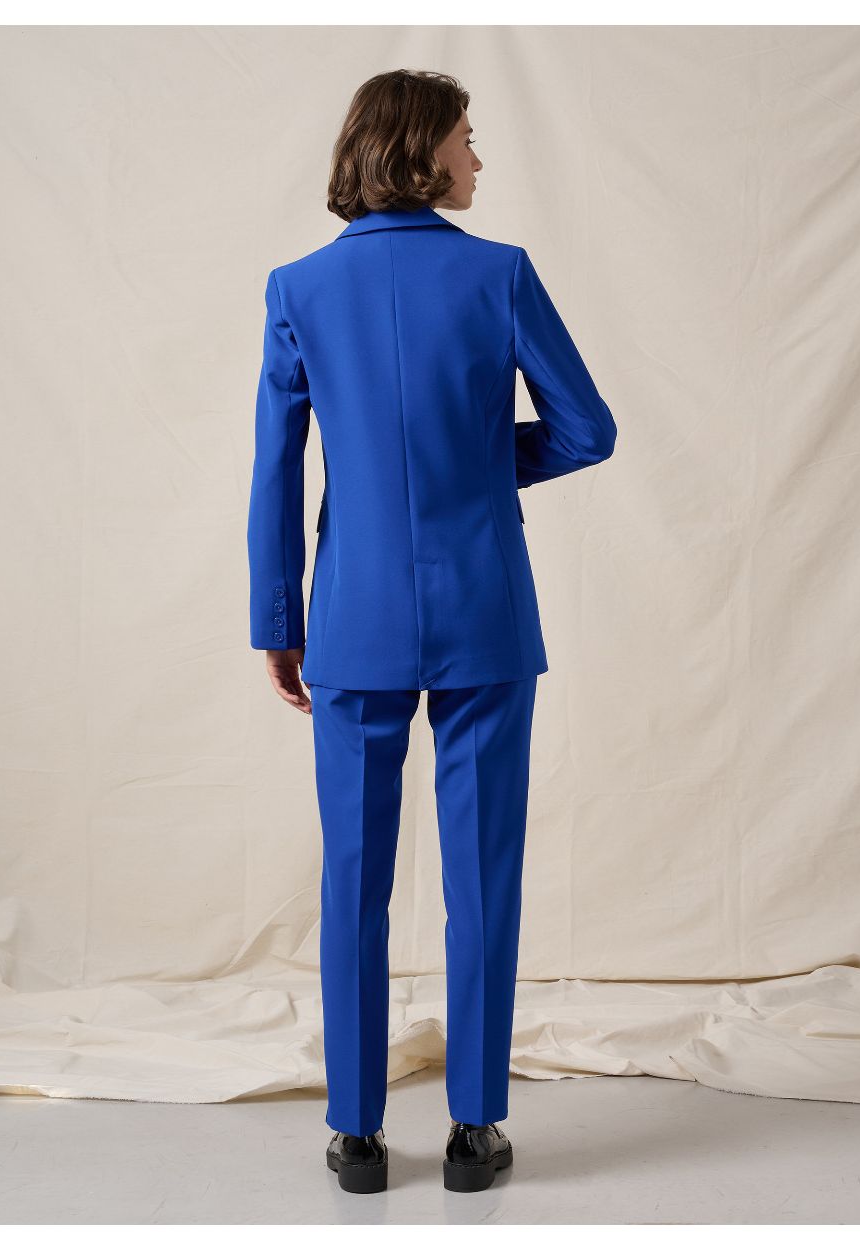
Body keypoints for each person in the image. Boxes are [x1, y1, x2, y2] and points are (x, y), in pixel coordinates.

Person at [247, 68, 617, 1194]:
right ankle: (474, 1127)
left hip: (351, 616)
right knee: (483, 877)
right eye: (466, 139)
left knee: (352, 876)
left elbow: (275, 469)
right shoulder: (498, 274)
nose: (477, 159)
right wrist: (476, 467)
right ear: (419, 152)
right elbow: (587, 428)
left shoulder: (300, 287)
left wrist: (277, 618)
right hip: (483, 610)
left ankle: (356, 1133)